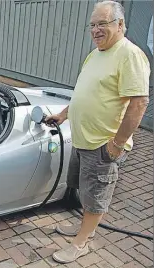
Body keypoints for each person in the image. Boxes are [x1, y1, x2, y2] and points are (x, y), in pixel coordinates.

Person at [46, 1, 150, 264]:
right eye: (92, 25)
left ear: (120, 24)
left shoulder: (130, 55)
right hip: (83, 139)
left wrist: (117, 144)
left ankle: (81, 243)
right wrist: (64, 114)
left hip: (103, 144)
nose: (95, 30)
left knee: (96, 195)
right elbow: (85, 93)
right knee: (84, 188)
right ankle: (85, 231)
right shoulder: (95, 54)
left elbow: (139, 102)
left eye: (102, 23)